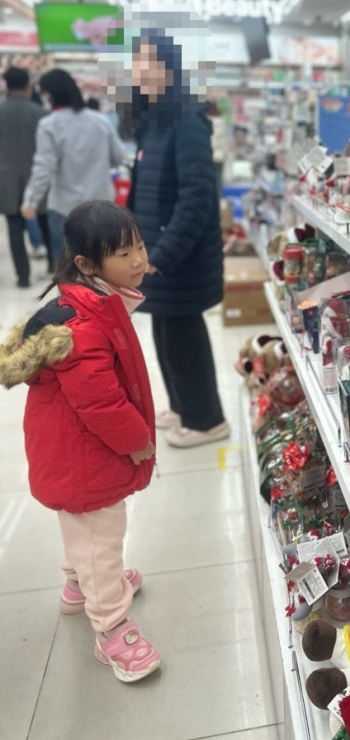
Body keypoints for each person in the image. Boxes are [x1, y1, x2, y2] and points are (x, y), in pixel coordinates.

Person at [0, 201, 160, 683]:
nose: (139, 260)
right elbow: (101, 403)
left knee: (85, 529)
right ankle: (111, 628)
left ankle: (78, 586)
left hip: (73, 449)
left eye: (139, 246)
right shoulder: (82, 325)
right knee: (99, 538)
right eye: (124, 253)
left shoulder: (87, 302)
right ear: (88, 264)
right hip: (86, 454)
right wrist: (138, 442)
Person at [128, 29, 228, 448]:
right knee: (165, 331)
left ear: (170, 69)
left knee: (184, 335)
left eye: (148, 62)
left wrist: (165, 251)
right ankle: (183, 405)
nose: (139, 70)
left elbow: (197, 195)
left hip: (179, 254)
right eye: (135, 62)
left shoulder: (187, 121)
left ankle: (207, 420)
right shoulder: (153, 122)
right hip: (154, 248)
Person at [21, 68, 127, 264]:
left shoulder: (49, 125)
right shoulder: (100, 121)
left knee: (68, 267)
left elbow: (44, 167)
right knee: (102, 263)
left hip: (65, 207)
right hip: (102, 205)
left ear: (50, 95)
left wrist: (31, 201)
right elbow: (120, 156)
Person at [0, 66, 52, 286]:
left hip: (7, 178)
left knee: (14, 226)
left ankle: (23, 276)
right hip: (37, 176)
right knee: (45, 220)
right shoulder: (41, 114)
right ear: (27, 85)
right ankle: (53, 264)